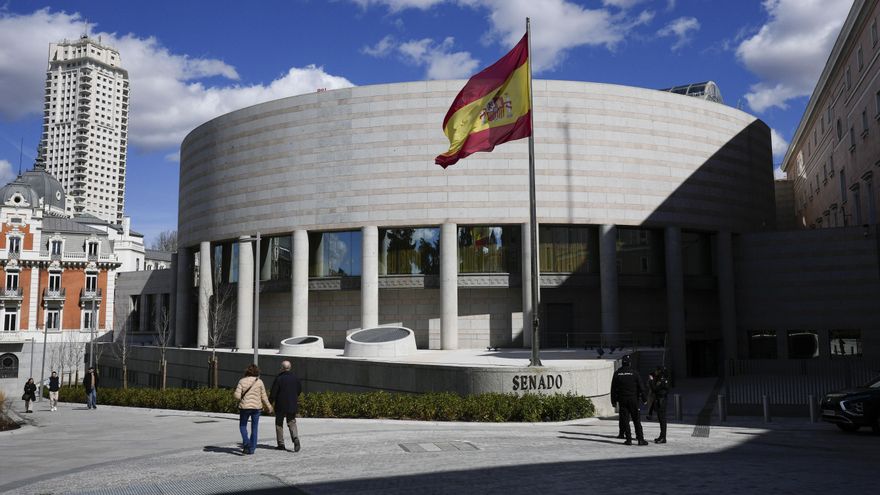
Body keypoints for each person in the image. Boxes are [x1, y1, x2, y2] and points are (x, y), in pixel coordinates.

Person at [234, 364, 273, 455]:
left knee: (243, 426)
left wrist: (238, 397)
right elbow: (264, 397)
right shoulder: (259, 382)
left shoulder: (242, 381)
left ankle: (246, 442)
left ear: (247, 371)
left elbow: (237, 396)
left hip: (244, 407)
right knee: (254, 428)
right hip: (256, 408)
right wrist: (269, 407)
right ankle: (252, 449)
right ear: (257, 372)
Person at [610, 355, 648, 446]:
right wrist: (644, 399)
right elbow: (641, 387)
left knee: (625, 420)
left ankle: (628, 439)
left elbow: (613, 389)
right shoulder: (634, 373)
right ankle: (640, 439)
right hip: (633, 400)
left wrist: (613, 401)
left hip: (622, 400)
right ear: (630, 363)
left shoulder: (617, 373)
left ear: (622, 363)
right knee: (636, 420)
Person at [269, 360, 303, 452]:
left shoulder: (279, 378)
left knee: (279, 424)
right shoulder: (295, 378)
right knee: (291, 422)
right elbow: (299, 390)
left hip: (280, 404)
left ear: (282, 368)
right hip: (292, 404)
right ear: (290, 368)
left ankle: (281, 444)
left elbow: (273, 393)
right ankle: (295, 438)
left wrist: (269, 403)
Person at [651, 366, 671, 444]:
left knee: (662, 419)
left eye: (657, 370)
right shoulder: (663, 379)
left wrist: (651, 381)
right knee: (661, 419)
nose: (655, 371)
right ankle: (662, 436)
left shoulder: (661, 380)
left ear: (660, 371)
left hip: (661, 401)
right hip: (661, 400)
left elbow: (654, 389)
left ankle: (663, 437)